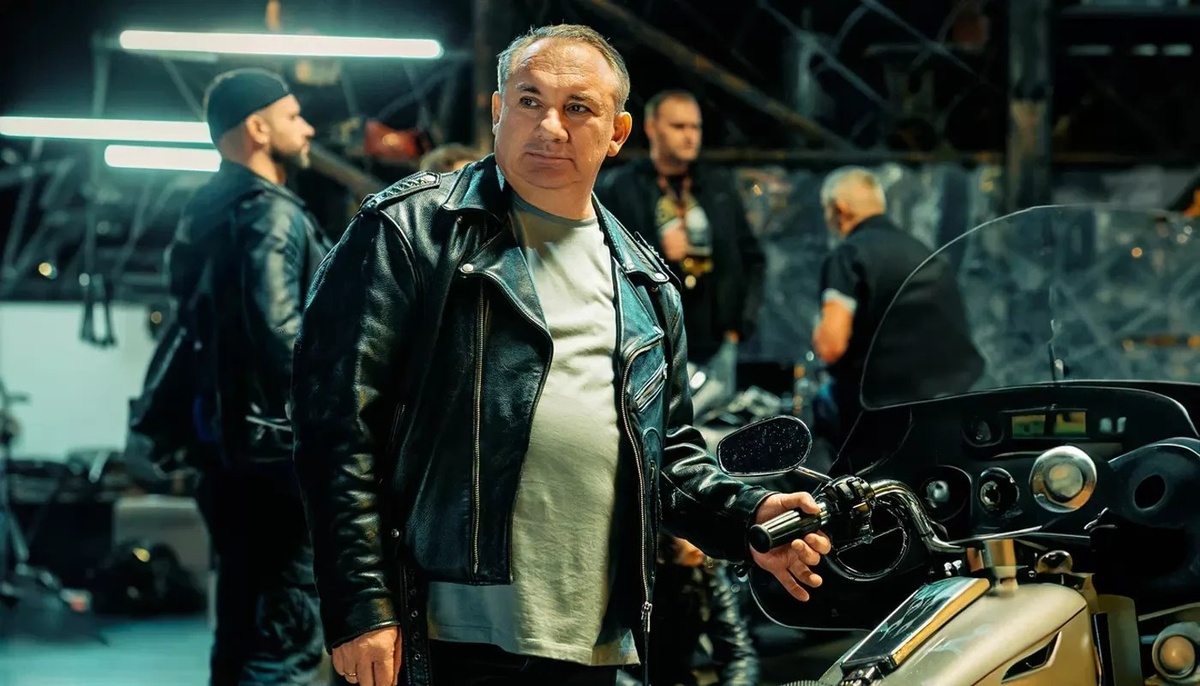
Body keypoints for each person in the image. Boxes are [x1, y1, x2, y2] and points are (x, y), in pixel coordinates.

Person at [290, 23, 831, 686]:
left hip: (589, 638)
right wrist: (362, 605)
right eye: (529, 100)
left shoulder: (645, 282)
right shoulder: (410, 234)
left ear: (618, 133)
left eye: (578, 108)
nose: (549, 126)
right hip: (438, 633)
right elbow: (336, 428)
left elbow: (667, 459)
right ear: (498, 110)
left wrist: (746, 515)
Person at [164, 67, 329, 684]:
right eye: (293, 117)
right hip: (273, 459)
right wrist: (336, 417)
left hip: (224, 452)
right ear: (258, 129)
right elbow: (278, 334)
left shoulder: (205, 211)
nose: (307, 129)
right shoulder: (271, 215)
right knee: (281, 639)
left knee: (242, 630)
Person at [812, 167, 982, 446]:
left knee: (818, 408)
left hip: (876, 414)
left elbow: (831, 346)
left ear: (839, 209)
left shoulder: (849, 254)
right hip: (944, 409)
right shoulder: (925, 254)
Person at [595, 89, 763, 364]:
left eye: (695, 127)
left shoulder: (718, 189)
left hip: (713, 341)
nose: (690, 136)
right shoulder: (620, 187)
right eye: (679, 126)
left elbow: (753, 257)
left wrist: (740, 324)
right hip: (645, 339)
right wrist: (657, 249)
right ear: (651, 128)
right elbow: (601, 257)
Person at [615, 535, 759, 686]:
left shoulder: (709, 575)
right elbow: (607, 658)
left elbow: (738, 652)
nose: (700, 540)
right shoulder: (633, 575)